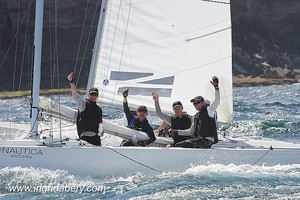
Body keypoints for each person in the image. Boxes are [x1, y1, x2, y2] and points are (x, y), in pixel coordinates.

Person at [172, 76, 220, 149]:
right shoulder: (196, 116)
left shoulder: (209, 110)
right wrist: (177, 132)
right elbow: (190, 131)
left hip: (207, 140)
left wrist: (216, 88)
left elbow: (217, 101)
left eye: (197, 102)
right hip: (201, 140)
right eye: (194, 104)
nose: (195, 105)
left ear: (202, 102)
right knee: (179, 144)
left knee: (179, 145)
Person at [67, 72, 103, 146]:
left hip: (96, 137)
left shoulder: (99, 109)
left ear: (97, 96)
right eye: (92, 94)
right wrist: (71, 82)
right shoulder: (83, 104)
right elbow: (75, 95)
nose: (93, 96)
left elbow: (100, 123)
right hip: (85, 138)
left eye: (95, 95)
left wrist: (102, 131)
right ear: (88, 95)